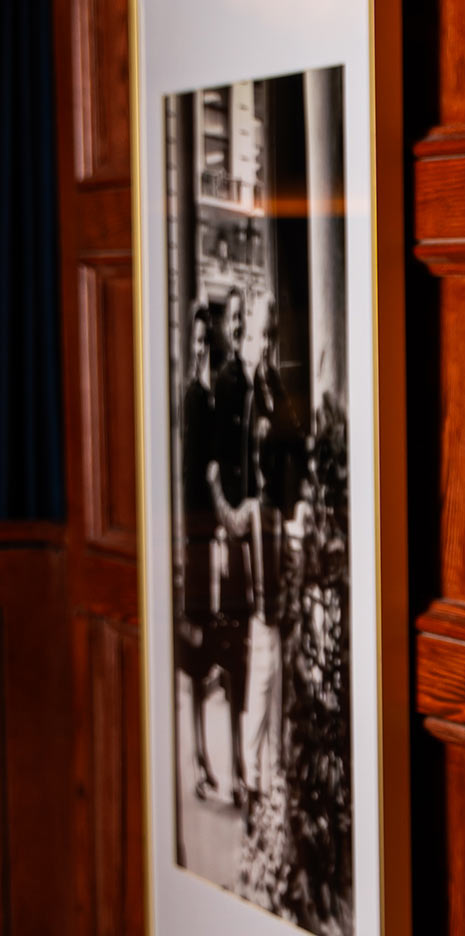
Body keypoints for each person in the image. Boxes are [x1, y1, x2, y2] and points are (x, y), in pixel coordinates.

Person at [242, 292, 306, 807]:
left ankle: (272, 767)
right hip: (260, 528)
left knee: (278, 649)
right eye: (261, 334)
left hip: (278, 524)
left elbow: (295, 449)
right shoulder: (249, 393)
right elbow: (243, 465)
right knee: (264, 652)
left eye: (272, 336)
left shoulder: (273, 389)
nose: (266, 344)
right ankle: (254, 768)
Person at [204, 284, 253, 802]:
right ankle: (237, 766)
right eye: (234, 319)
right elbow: (214, 472)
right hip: (232, 539)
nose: (238, 326)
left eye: (244, 318)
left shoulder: (254, 379)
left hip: (253, 537)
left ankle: (249, 764)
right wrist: (228, 521)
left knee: (250, 649)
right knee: (234, 652)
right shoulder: (224, 381)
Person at [177, 303, 221, 799]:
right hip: (194, 540)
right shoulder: (193, 397)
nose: (200, 348)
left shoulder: (206, 398)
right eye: (196, 340)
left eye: (205, 342)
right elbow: (193, 473)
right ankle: (196, 760)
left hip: (207, 540)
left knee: (206, 650)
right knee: (193, 655)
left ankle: (201, 758)